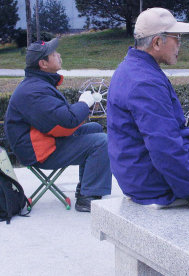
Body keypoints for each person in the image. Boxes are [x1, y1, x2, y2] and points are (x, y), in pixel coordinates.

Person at [107, 8, 189, 223]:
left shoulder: (131, 68)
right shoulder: (145, 81)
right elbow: (164, 147)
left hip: (138, 172)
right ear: (157, 42)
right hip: (151, 180)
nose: (180, 45)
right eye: (176, 39)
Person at [5, 38, 112, 212]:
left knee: (95, 129)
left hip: (45, 141)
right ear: (43, 64)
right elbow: (66, 123)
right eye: (54, 54)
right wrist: (84, 104)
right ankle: (88, 198)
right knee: (102, 142)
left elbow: (59, 121)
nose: (59, 55)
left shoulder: (38, 85)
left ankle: (86, 187)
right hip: (39, 152)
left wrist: (80, 107)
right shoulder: (34, 92)